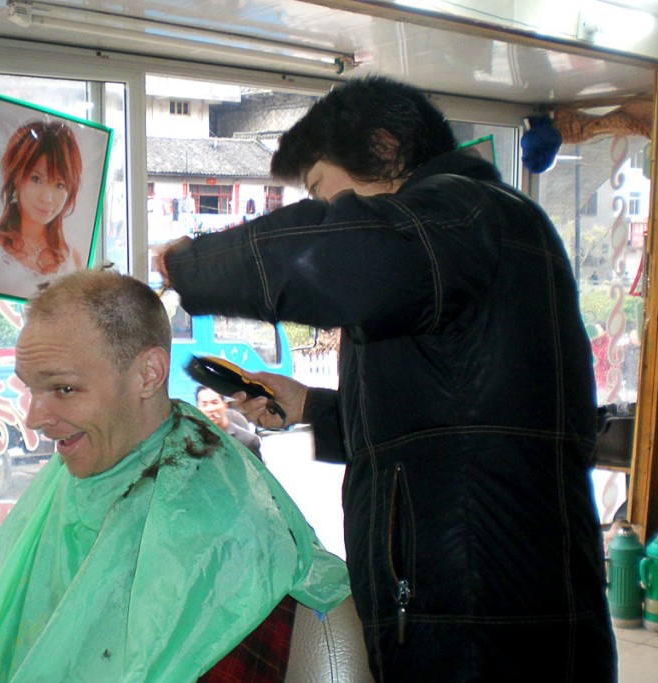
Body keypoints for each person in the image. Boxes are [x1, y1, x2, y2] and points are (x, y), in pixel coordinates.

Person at [154, 75, 617, 681]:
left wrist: (194, 263)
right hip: (482, 604)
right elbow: (454, 424)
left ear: (384, 147)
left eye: (323, 195)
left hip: (481, 626)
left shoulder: (461, 215)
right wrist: (309, 408)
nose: (325, 215)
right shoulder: (469, 237)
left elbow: (335, 256)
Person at [0, 270, 349, 682]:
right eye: (31, 389)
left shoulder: (213, 519)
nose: (33, 420)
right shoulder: (89, 463)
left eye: (62, 390)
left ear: (149, 374)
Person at [0, 120, 86, 300]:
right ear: (16, 178)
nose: (47, 198)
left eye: (59, 184)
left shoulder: (75, 262)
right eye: (36, 179)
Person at [196, 384, 263, 459]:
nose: (210, 409)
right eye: (204, 404)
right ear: (198, 409)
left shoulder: (248, 440)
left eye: (215, 403)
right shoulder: (192, 437)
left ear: (225, 405)